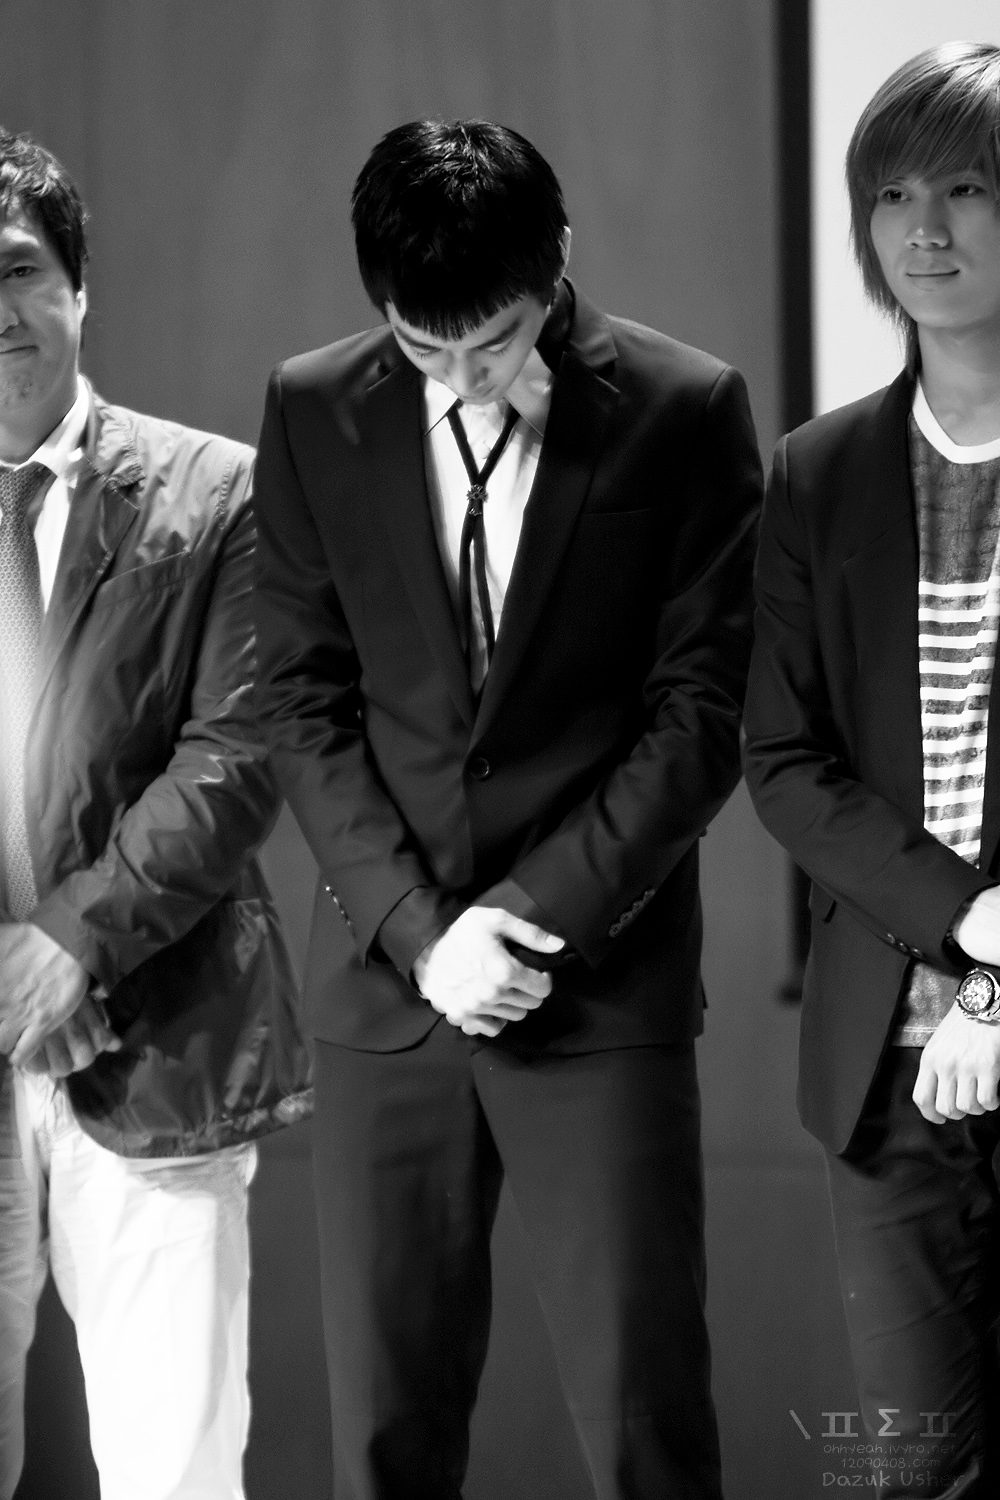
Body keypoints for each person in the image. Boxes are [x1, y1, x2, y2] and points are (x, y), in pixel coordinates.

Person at [252, 118, 761, 1500]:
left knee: (649, 1428)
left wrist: (527, 920)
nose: (462, 382)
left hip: (595, 979)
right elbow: (299, 700)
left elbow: (702, 716)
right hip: (387, 988)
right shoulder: (310, 406)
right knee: (384, 1437)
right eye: (423, 349)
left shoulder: (685, 408)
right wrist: (427, 936)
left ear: (560, 264)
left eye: (494, 343)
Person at [0, 128, 311, 1500]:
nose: (0, 312)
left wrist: (70, 943)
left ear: (79, 286)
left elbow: (239, 750)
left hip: (159, 1038)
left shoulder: (218, 490)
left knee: (172, 1471)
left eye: (19, 271)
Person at [744, 41, 1000, 1497]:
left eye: (965, 189)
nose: (926, 229)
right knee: (919, 1469)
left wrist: (998, 986)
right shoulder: (818, 473)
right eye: (893, 195)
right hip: (886, 1065)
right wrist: (971, 925)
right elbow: (785, 761)